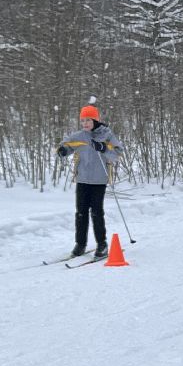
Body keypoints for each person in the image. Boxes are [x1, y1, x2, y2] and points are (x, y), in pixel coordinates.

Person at [55, 100, 124, 259]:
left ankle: (102, 244)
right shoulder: (79, 136)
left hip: (99, 180)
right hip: (82, 179)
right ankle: (80, 244)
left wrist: (103, 148)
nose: (85, 123)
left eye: (88, 120)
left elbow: (118, 153)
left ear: (95, 120)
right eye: (82, 120)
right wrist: (62, 150)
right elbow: (66, 145)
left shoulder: (106, 135)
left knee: (97, 212)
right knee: (81, 213)